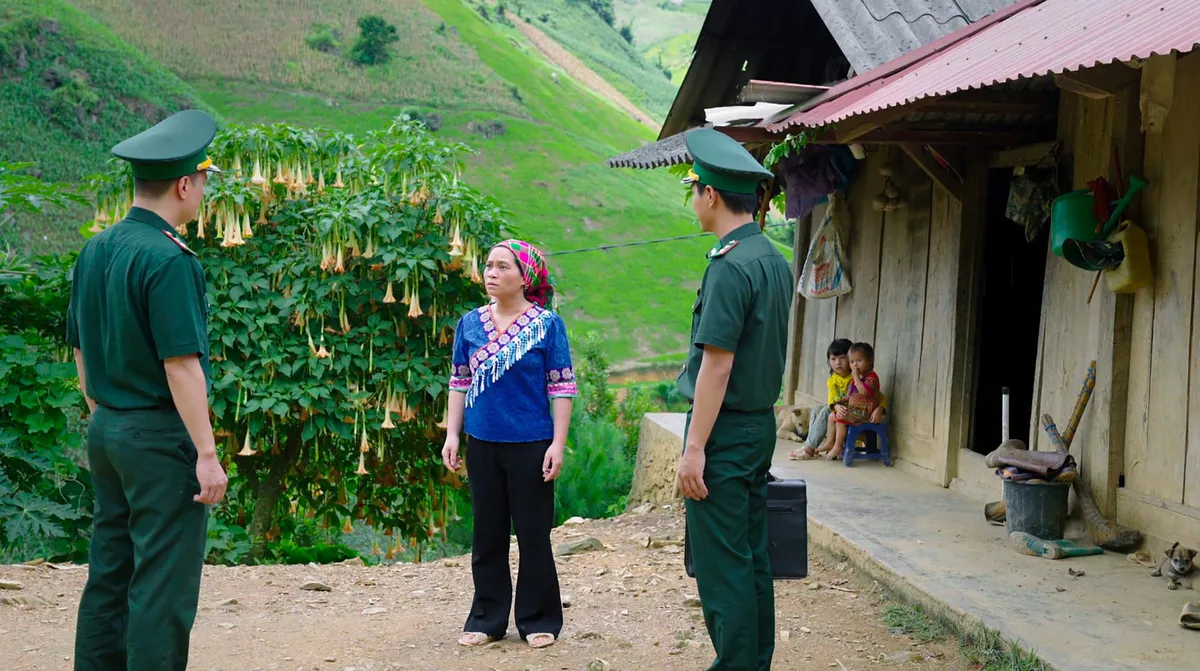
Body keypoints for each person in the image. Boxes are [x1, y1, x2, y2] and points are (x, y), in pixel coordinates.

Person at [68, 109, 229, 670]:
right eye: (204, 179)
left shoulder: (96, 249)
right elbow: (181, 365)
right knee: (162, 586)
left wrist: (106, 416)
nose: (205, 190)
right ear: (185, 184)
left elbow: (82, 350)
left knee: (109, 572)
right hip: (159, 438)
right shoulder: (169, 258)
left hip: (108, 429)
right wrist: (206, 455)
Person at [674, 128, 794, 671]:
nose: (693, 199)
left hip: (723, 434)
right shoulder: (771, 257)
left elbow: (717, 365)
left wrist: (694, 447)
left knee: (723, 567)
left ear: (713, 195)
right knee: (750, 560)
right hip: (757, 428)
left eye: (693, 188)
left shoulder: (728, 266)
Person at [440, 239, 577, 650]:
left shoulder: (547, 325)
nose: (491, 273)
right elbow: (459, 381)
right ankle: (487, 618)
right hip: (482, 445)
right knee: (487, 534)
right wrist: (452, 433)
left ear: (525, 277)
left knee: (534, 535)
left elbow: (562, 386)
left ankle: (539, 620)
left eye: (503, 267)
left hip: (531, 444)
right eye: (488, 265)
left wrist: (557, 443)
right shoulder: (469, 324)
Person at [824, 342, 883, 460]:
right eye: (852, 362)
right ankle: (830, 443)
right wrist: (843, 399)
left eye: (859, 361)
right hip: (857, 409)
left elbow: (864, 393)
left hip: (866, 412)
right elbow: (853, 395)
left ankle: (838, 446)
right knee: (832, 417)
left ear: (869, 361)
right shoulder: (857, 377)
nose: (855, 365)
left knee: (841, 419)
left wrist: (856, 378)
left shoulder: (871, 377)